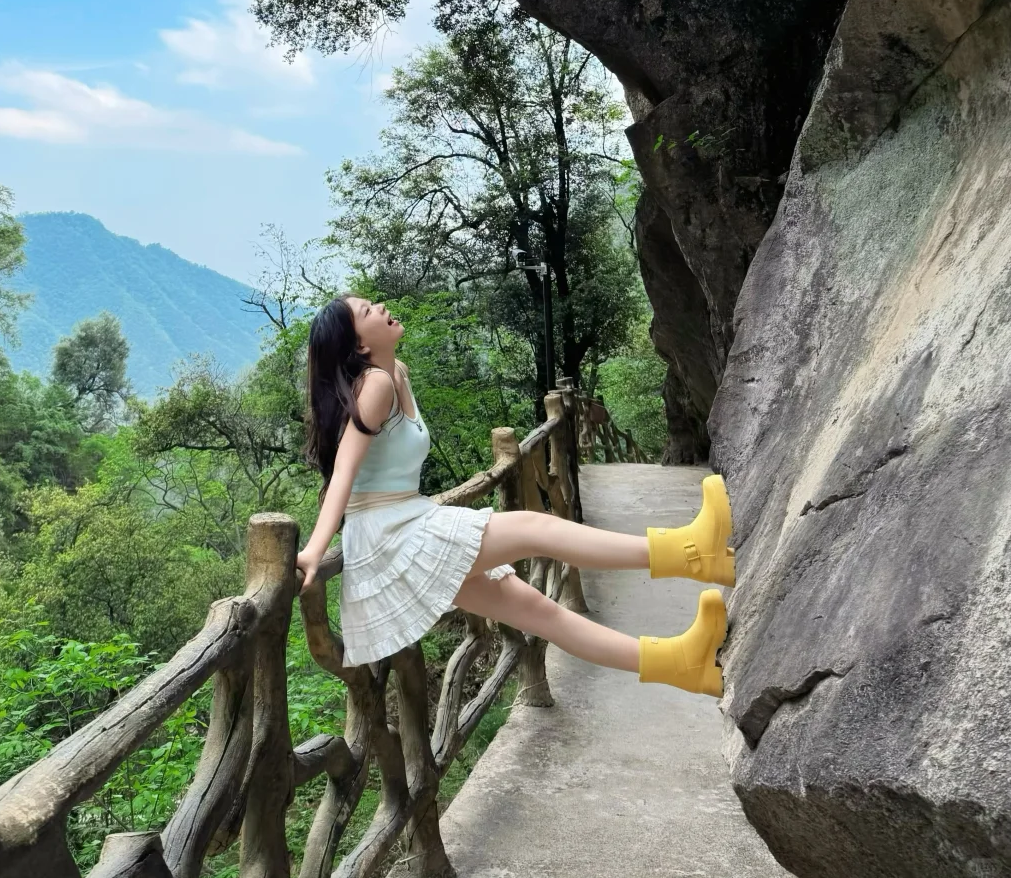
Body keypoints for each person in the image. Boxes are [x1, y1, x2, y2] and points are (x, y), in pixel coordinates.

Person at [295, 295, 735, 696]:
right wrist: (315, 550)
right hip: (390, 536)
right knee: (533, 528)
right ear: (359, 346)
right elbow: (344, 473)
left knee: (539, 612)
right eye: (367, 311)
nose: (379, 306)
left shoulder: (397, 372)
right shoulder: (375, 383)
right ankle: (691, 554)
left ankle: (682, 665)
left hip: (405, 520)